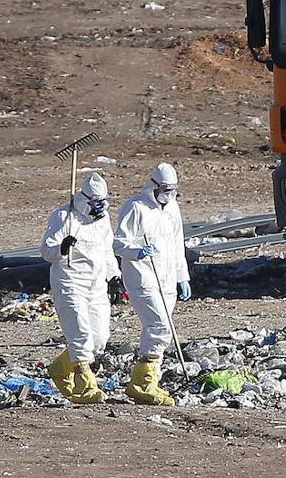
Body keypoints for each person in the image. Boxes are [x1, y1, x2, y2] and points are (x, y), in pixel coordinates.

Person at [114, 163, 191, 406]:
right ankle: (142, 383)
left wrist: (182, 275)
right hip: (143, 276)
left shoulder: (172, 208)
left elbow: (177, 243)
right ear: (154, 187)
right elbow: (119, 243)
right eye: (165, 190)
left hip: (167, 277)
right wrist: (136, 252)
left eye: (173, 190)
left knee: (159, 328)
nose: (169, 195)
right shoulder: (136, 207)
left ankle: (147, 381)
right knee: (160, 327)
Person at [41, 172, 117, 404]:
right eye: (95, 202)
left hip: (96, 284)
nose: (99, 207)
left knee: (99, 338)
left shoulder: (102, 220)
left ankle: (61, 367)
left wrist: (114, 276)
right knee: (81, 332)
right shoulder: (64, 217)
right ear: (85, 200)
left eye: (103, 202)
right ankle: (84, 384)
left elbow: (107, 250)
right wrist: (62, 249)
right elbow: (46, 251)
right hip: (70, 282)